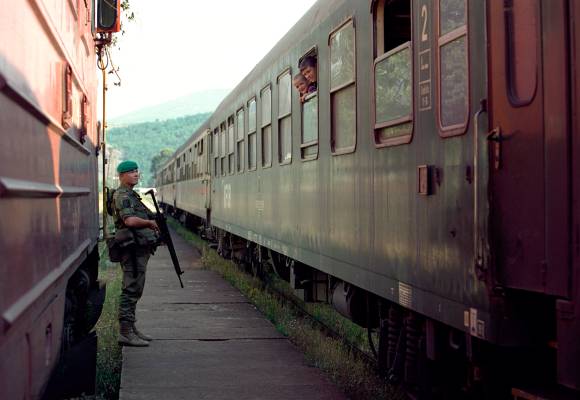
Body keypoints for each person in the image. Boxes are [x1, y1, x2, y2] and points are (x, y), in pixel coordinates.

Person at [112, 160, 160, 347]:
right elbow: (130, 221)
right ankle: (125, 333)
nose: (136, 174)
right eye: (131, 172)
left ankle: (131, 328)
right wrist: (149, 223)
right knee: (131, 290)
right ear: (122, 175)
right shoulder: (123, 195)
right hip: (131, 249)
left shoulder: (131, 194)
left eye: (137, 172)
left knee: (135, 289)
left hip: (138, 248)